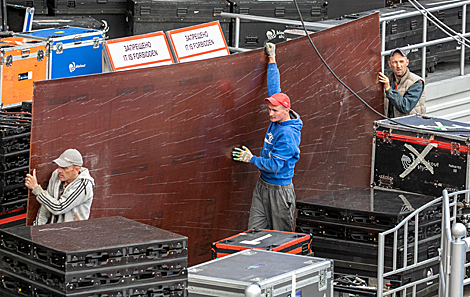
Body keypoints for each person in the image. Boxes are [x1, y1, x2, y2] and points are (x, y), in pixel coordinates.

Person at [232, 43, 303, 231]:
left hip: (279, 191)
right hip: (263, 186)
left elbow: (275, 166)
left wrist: (251, 159)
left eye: (274, 110)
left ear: (285, 110)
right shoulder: (279, 115)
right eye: (269, 109)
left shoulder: (288, 135)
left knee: (281, 238)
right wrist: (272, 58)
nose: (270, 114)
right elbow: (274, 86)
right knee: (254, 232)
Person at [25, 148, 95, 225]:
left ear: (76, 170)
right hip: (56, 231)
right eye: (59, 166)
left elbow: (59, 207)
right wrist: (36, 228)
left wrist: (36, 189)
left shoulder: (84, 185)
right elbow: (46, 204)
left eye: (64, 168)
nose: (59, 170)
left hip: (73, 233)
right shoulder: (56, 175)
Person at [378, 48, 426, 118]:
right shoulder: (388, 80)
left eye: (401, 61)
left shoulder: (416, 82)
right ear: (389, 64)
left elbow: (405, 107)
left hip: (409, 126)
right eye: (395, 62)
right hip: (391, 125)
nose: (398, 65)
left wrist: (388, 89)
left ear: (407, 62)